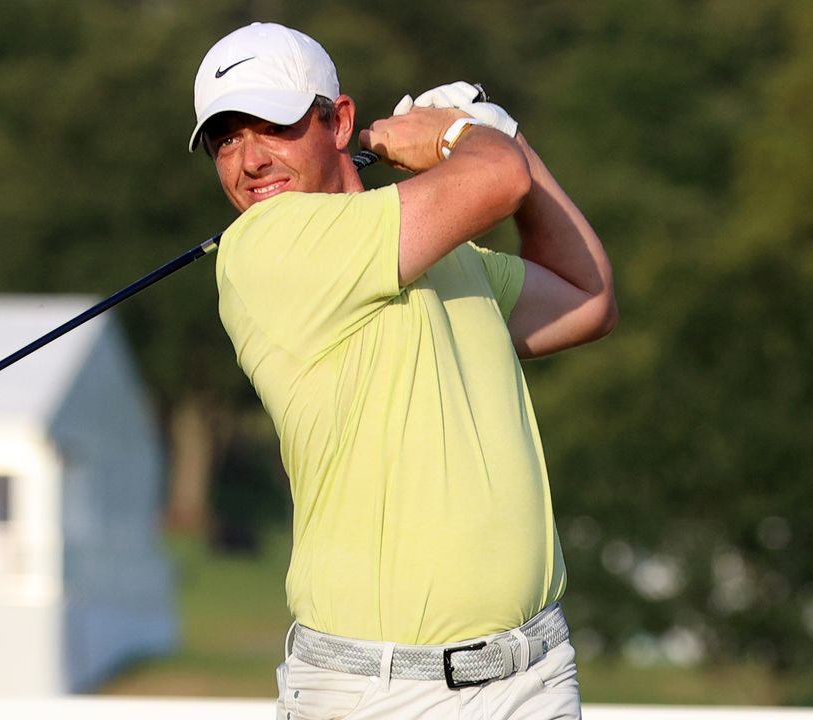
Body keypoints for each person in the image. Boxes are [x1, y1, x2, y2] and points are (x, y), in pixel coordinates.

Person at [189, 21, 616, 720]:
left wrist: (506, 139)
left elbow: (587, 299)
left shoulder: (447, 256)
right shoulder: (263, 248)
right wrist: (462, 138)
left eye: (273, 126)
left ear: (340, 122)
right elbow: (493, 178)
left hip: (531, 677)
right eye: (225, 138)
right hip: (378, 694)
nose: (249, 159)